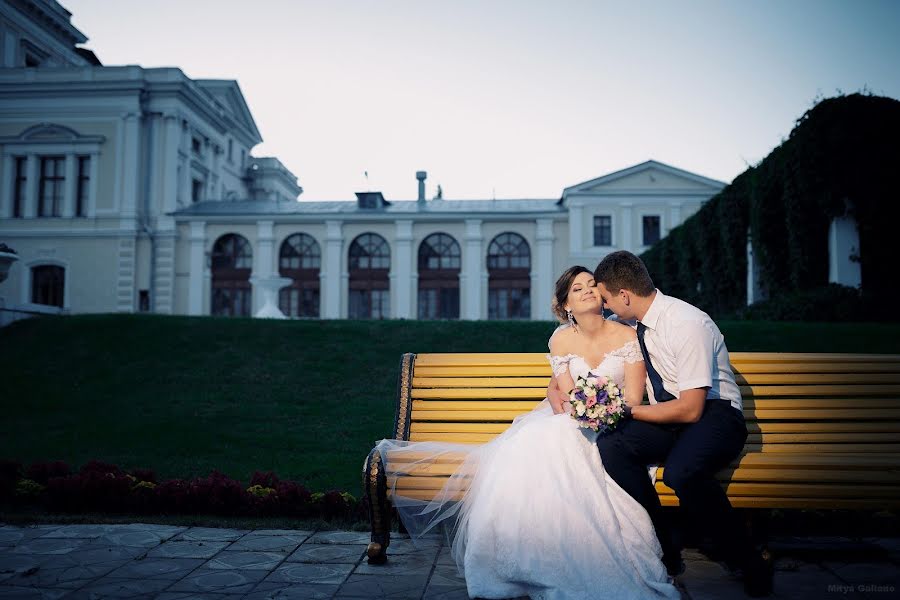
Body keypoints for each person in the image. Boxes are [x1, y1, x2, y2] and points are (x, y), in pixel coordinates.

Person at [377, 266, 679, 600]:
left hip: (618, 420)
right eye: (577, 289)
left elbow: (634, 398)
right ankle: (535, 554)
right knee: (538, 444)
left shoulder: (626, 337)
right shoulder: (561, 339)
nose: (588, 291)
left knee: (581, 449)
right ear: (566, 305)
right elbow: (566, 396)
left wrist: (605, 411)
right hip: (572, 417)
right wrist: (586, 409)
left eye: (592, 285)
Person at [585, 250, 773, 597]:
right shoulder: (632, 324)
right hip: (672, 418)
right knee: (613, 445)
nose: (606, 306)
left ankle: (748, 561)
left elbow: (690, 410)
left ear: (624, 295)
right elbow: (593, 335)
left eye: (608, 298)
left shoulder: (687, 322)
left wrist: (625, 412)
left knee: (681, 472)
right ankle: (664, 545)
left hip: (716, 416)